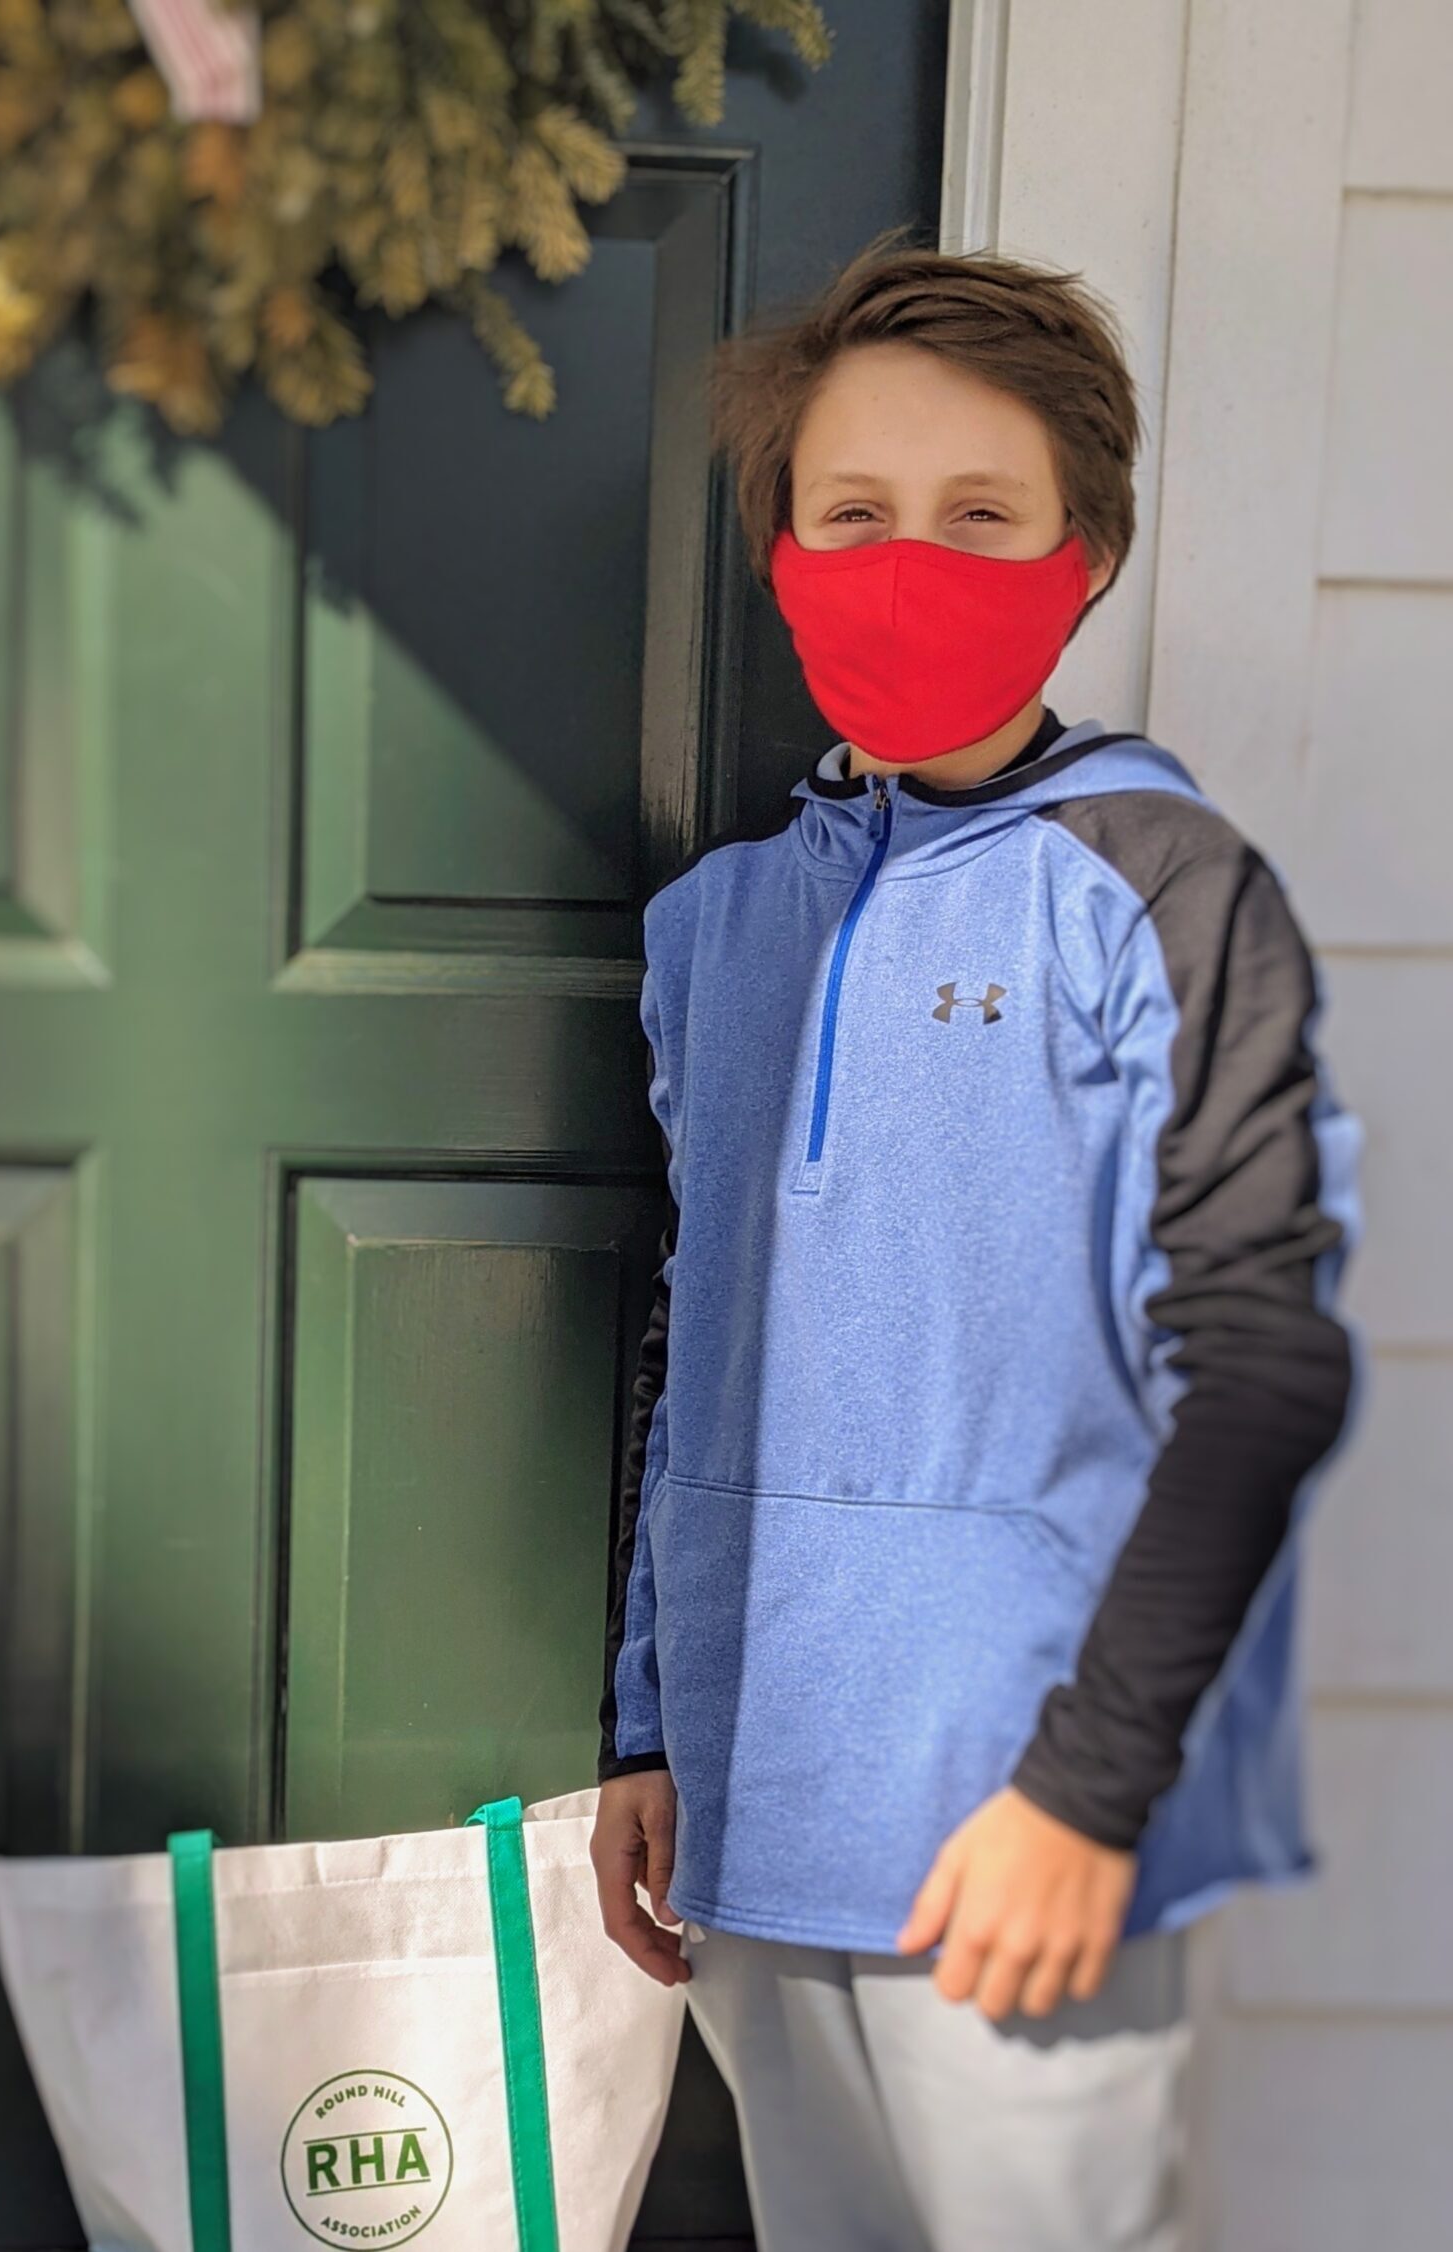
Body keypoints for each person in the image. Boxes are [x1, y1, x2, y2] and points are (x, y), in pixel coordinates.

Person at [586, 227, 1364, 2252]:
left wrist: (1087, 1790)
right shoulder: (714, 928)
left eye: (979, 515)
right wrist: (647, 1725)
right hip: (756, 1797)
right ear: (781, 552)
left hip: (1026, 1826)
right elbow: (690, 1340)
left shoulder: (1162, 890)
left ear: (1081, 556)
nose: (907, 561)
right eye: (853, 513)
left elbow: (1257, 1367)